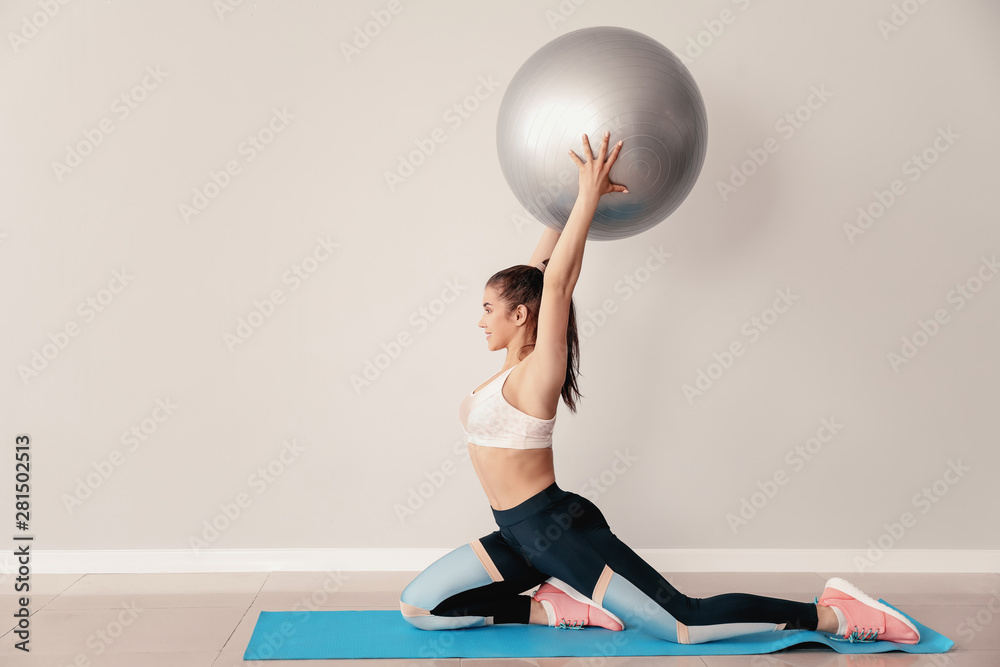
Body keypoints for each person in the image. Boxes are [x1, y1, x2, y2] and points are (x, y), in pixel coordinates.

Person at [399, 132, 920, 645]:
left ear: (519, 315)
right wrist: (559, 203)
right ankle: (553, 607)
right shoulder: (508, 363)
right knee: (420, 607)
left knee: (684, 625)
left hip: (558, 530)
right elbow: (541, 276)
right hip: (515, 534)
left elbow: (556, 284)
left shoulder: (540, 370)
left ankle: (835, 615)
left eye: (488, 309)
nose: (481, 321)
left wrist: (587, 196)